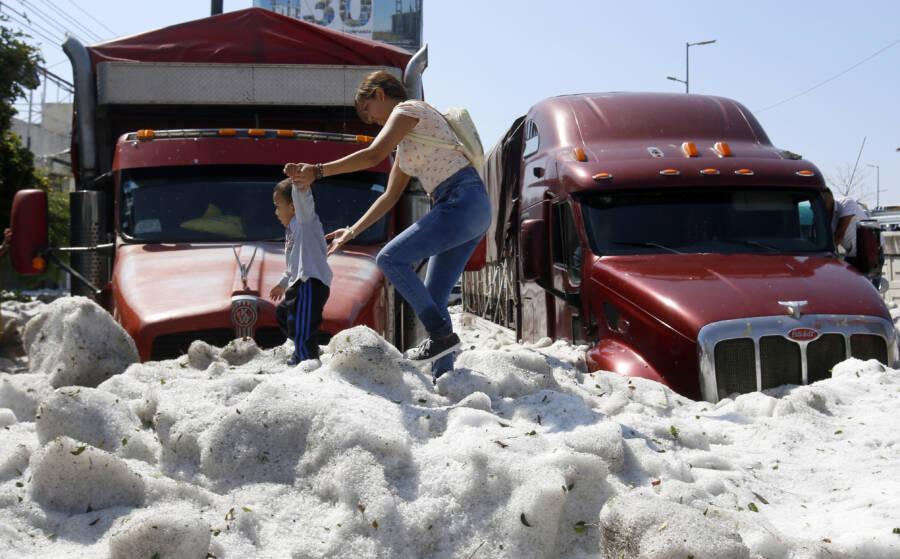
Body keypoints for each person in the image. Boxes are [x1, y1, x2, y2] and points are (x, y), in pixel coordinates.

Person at [284, 70, 491, 380]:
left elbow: (373, 155)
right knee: (434, 299)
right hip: (468, 207)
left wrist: (319, 170)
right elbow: (390, 197)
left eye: (369, 111)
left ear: (379, 94)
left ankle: (443, 337)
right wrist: (352, 230)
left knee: (390, 258)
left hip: (461, 200)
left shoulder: (408, 109)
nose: (373, 121)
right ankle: (444, 378)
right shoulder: (407, 147)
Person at [269, 178, 332, 366]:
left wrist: (299, 181)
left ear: (293, 207)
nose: (276, 212)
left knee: (302, 324)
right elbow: (292, 264)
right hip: (298, 283)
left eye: (278, 206)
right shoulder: (292, 230)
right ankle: (306, 347)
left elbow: (303, 198)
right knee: (283, 314)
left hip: (310, 283)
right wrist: (282, 282)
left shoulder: (304, 222)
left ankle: (306, 360)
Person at [822, 188, 869, 269]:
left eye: (823, 202)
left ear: (831, 197)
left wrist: (821, 256)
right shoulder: (823, 216)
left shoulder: (846, 203)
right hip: (852, 255)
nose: (821, 206)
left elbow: (839, 235)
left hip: (869, 253)